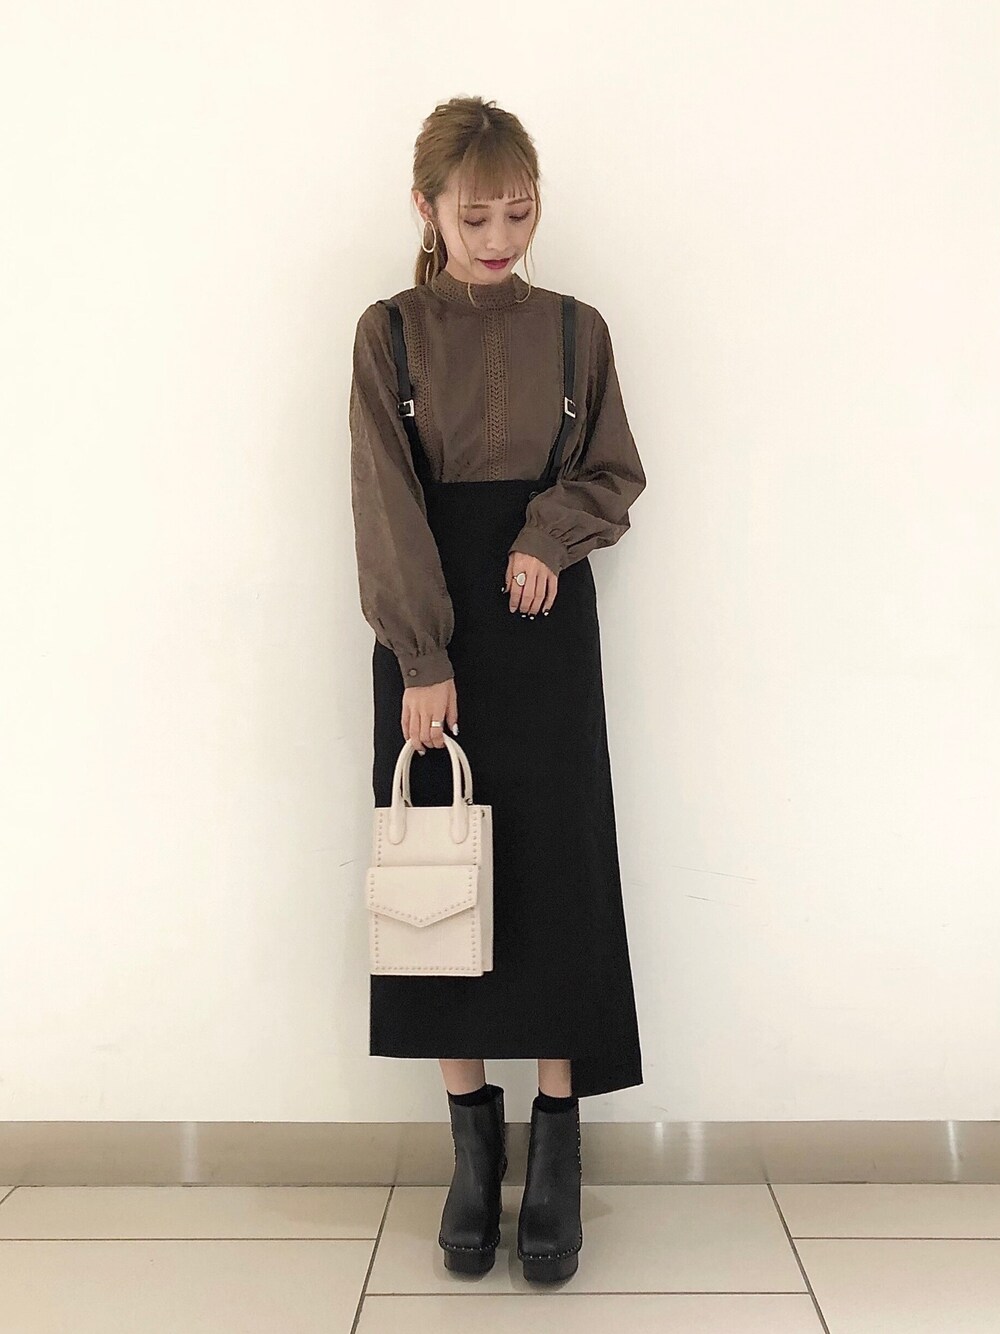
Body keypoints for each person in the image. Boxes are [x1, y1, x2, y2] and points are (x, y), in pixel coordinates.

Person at [349, 95, 647, 1284]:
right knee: (441, 880)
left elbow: (612, 471)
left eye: (519, 213)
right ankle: (474, 1152)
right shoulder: (388, 333)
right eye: (475, 217)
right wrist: (422, 656)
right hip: (432, 630)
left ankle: (556, 1151)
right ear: (426, 208)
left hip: (544, 629)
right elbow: (383, 496)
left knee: (556, 875)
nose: (499, 237)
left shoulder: (577, 330)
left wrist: (547, 533)